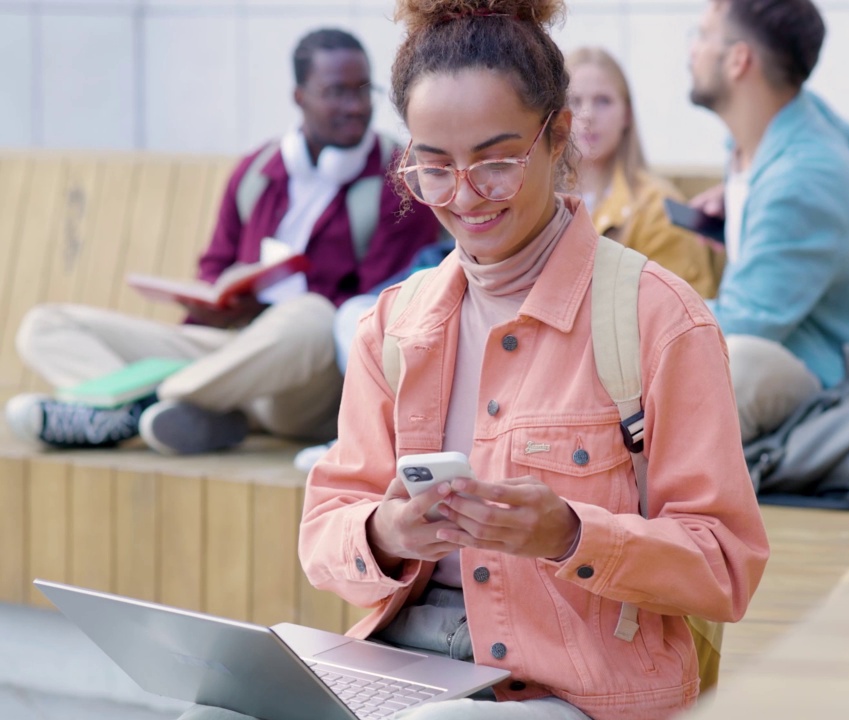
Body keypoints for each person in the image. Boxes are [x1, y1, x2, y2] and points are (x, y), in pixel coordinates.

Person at [177, 2, 771, 718]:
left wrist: (570, 534)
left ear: (558, 137)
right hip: (405, 667)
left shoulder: (659, 319)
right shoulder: (393, 325)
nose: (463, 197)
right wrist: (387, 533)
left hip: (568, 691)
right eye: (434, 168)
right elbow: (325, 531)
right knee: (213, 709)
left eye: (495, 164)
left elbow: (725, 567)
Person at [5, 28, 441, 455]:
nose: (355, 106)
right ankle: (199, 412)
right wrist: (218, 298)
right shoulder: (257, 169)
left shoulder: (397, 178)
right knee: (46, 326)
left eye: (363, 91)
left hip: (306, 379)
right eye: (336, 92)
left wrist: (275, 308)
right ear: (299, 97)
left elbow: (379, 307)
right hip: (233, 352)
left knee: (311, 316)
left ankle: (130, 405)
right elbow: (213, 266)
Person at [686, 0, 849, 442]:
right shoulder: (769, 139)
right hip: (790, 354)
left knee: (729, 364)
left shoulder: (803, 177)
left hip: (836, 386)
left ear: (739, 59)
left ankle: (665, 509)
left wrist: (631, 319)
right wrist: (745, 197)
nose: (693, 50)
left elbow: (742, 323)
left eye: (703, 35)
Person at [566, 46, 724, 299]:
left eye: (603, 101)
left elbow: (683, 314)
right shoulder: (537, 201)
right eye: (574, 101)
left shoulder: (657, 207)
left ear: (626, 115)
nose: (587, 115)